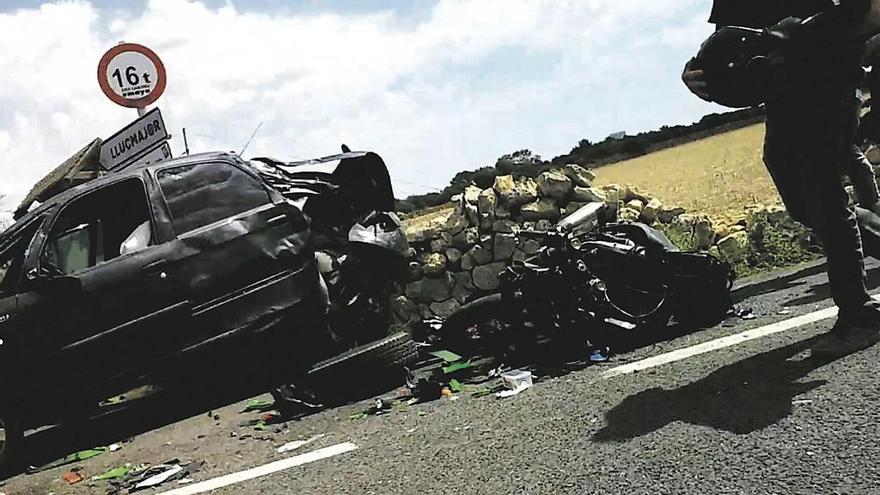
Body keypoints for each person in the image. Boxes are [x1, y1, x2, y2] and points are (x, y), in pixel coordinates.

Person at [683, 0, 880, 357]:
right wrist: (703, 76)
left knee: (822, 189)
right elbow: (728, 44)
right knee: (803, 201)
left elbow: (869, 10)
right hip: (784, 95)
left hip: (830, 78)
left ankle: (860, 315)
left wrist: (798, 34)